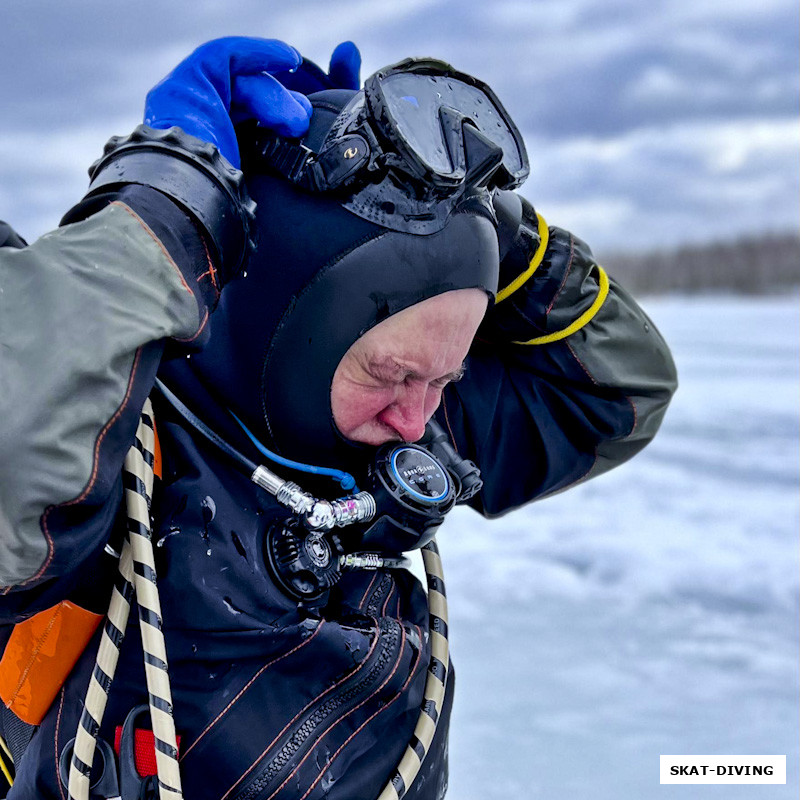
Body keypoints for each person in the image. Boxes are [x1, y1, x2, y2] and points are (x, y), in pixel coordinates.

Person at [0, 37, 677, 800]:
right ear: (277, 331)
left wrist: (500, 234)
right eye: (392, 373)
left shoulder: (384, 440)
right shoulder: (108, 452)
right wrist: (166, 201)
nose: (420, 420)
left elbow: (618, 390)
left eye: (444, 378)